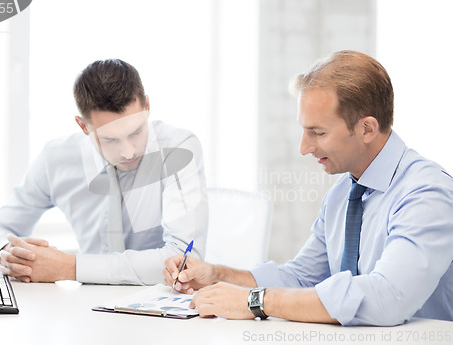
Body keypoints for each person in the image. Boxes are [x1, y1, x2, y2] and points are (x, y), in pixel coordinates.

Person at [164, 50, 453, 326]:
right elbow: (301, 278)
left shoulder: (426, 194)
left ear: (367, 129)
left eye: (318, 132)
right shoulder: (343, 192)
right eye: (304, 130)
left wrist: (254, 302)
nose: (304, 147)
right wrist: (217, 275)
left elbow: (387, 298)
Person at [0, 59, 208, 285]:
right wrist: (8, 253)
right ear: (83, 126)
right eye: (110, 139)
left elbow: (185, 260)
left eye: (136, 131)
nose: (128, 152)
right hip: (85, 308)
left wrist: (69, 267)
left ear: (147, 107)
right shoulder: (56, 159)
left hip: (163, 308)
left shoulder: (178, 149)